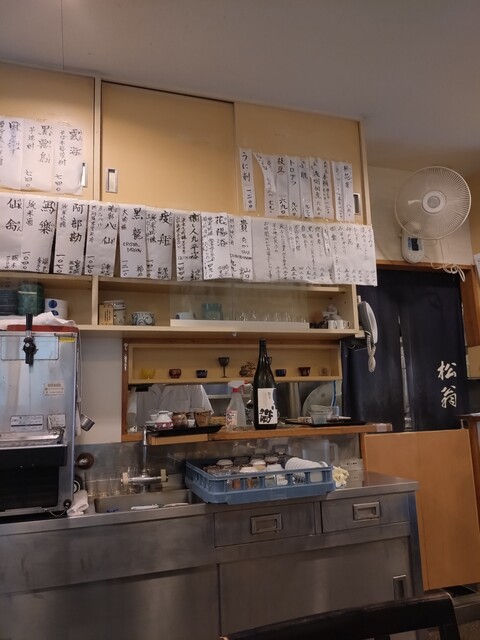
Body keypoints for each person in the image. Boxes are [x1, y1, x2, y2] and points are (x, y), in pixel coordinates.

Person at [131, 383, 213, 427]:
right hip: (147, 446)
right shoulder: (138, 383)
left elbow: (203, 420)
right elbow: (129, 422)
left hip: (183, 447)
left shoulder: (193, 383)